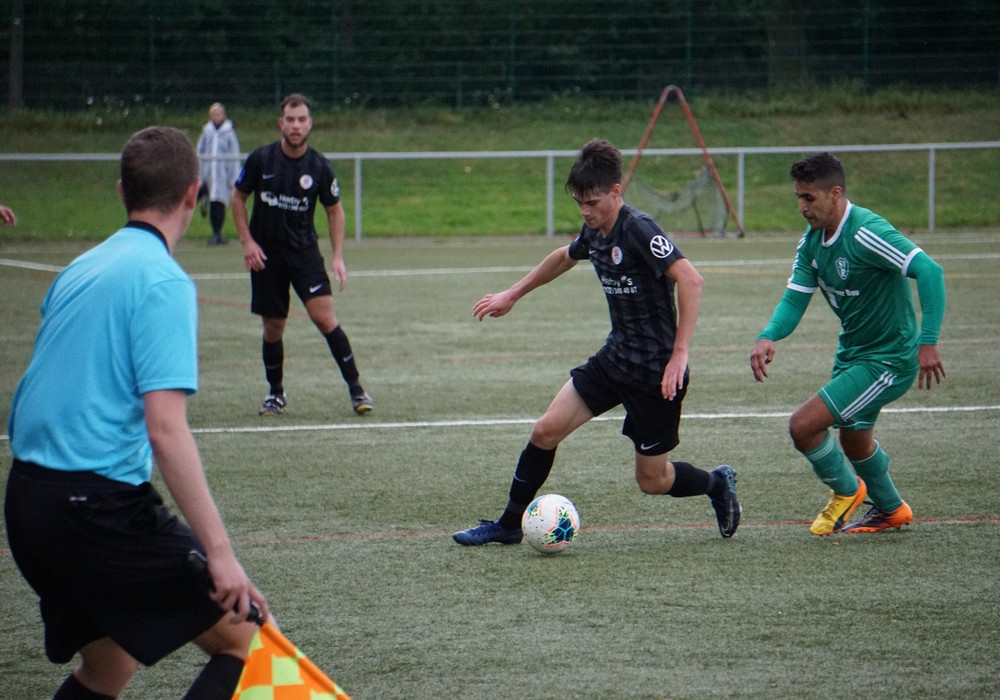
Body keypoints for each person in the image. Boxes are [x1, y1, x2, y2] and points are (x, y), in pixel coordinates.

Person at [4, 126, 269, 700]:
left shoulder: (79, 267)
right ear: (195, 194)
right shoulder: (162, 281)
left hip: (27, 502)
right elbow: (166, 428)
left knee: (109, 665)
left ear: (122, 192)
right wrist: (221, 556)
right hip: (93, 508)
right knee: (249, 641)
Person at [452, 139, 740, 547]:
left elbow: (691, 280)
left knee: (653, 480)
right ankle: (509, 524)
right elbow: (563, 257)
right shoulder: (594, 230)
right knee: (545, 431)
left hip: (656, 374)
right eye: (579, 203)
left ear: (616, 191)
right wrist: (512, 294)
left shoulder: (638, 228)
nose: (586, 212)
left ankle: (716, 483)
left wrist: (679, 355)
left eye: (593, 202)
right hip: (615, 360)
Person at [750, 152, 946, 536]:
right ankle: (892, 510)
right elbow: (794, 300)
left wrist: (929, 342)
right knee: (854, 441)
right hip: (853, 355)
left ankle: (846, 490)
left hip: (888, 360)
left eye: (809, 198)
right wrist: (768, 335)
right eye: (799, 198)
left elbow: (929, 270)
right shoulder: (811, 244)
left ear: (835, 194)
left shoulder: (866, 232)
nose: (801, 207)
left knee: (803, 426)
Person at [231, 93, 373, 417]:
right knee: (273, 328)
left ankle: (357, 390)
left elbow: (335, 211)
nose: (296, 126)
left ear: (310, 124)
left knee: (325, 319)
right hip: (266, 258)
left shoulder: (319, 166)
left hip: (304, 255)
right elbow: (237, 198)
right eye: (290, 120)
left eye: (301, 120)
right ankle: (275, 394)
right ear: (281, 123)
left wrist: (337, 256)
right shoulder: (261, 159)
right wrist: (247, 242)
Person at [197, 102, 241, 245]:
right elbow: (200, 151)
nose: (216, 117)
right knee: (197, 200)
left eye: (218, 114)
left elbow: (234, 155)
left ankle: (217, 234)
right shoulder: (207, 131)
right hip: (207, 174)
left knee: (218, 203)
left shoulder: (229, 132)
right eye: (213, 114)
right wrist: (199, 174)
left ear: (223, 115)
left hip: (222, 175)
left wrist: (233, 179)